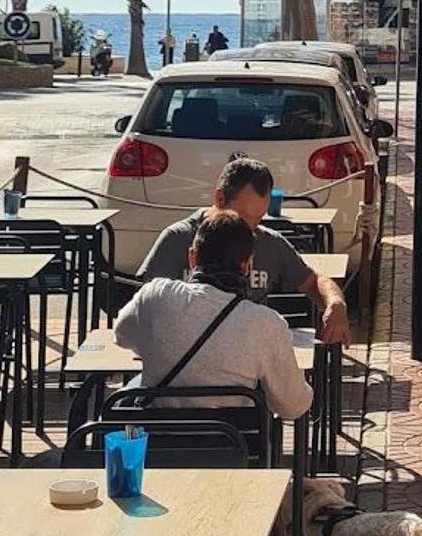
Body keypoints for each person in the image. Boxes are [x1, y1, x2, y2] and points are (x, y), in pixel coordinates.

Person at [115, 209, 310, 419]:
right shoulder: (267, 324)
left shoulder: (155, 295)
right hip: (233, 438)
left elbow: (122, 337)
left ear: (192, 258)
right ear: (247, 265)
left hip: (158, 435)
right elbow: (293, 407)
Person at [138, 157, 350, 344]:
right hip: (188, 352)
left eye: (258, 219)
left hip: (249, 355)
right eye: (243, 217)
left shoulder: (268, 242)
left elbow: (313, 281)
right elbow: (147, 307)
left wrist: (335, 302)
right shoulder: (177, 239)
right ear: (219, 199)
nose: (249, 228)